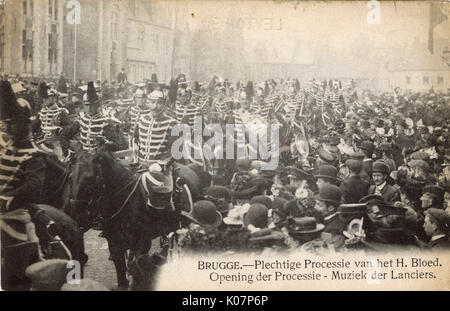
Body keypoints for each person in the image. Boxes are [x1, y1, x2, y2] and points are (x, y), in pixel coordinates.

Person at [0, 81, 55, 290]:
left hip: (14, 214)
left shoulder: (34, 155)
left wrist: (6, 199)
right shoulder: (5, 148)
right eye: (5, 123)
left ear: (24, 124)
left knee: (31, 265)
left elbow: (33, 187)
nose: (7, 128)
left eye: (11, 123)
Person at [60, 82, 127, 155]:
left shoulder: (106, 122)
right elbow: (64, 135)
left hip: (100, 158)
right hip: (83, 157)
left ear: (97, 104)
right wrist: (70, 151)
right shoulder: (81, 120)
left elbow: (116, 145)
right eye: (87, 105)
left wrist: (104, 142)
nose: (89, 109)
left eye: (92, 105)